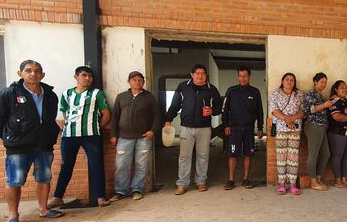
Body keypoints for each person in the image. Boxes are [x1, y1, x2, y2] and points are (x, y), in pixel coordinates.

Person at [0, 60, 63, 222]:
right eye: (28, 70)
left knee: (44, 178)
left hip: (43, 145)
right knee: (15, 181)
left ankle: (44, 209)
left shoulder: (50, 95)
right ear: (20, 73)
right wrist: (9, 137)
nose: (33, 74)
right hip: (18, 147)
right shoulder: (8, 93)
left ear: (42, 75)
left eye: (37, 71)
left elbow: (49, 119)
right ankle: (13, 215)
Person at [50, 66, 111, 208]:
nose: (88, 78)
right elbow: (65, 113)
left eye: (90, 76)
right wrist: (69, 125)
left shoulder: (97, 93)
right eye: (84, 75)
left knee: (96, 165)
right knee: (66, 166)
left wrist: (97, 127)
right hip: (69, 135)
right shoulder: (66, 94)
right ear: (76, 77)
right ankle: (58, 197)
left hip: (91, 135)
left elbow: (106, 114)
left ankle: (100, 197)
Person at [164, 64, 223, 194]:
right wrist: (168, 119)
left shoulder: (211, 89)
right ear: (192, 75)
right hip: (186, 127)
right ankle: (182, 184)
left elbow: (219, 107)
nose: (200, 76)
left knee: (203, 155)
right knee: (184, 156)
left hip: (205, 128)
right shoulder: (183, 87)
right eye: (197, 73)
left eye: (203, 73)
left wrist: (212, 110)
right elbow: (175, 105)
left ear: (206, 75)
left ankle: (201, 181)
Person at [109, 71, 160, 201]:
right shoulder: (121, 97)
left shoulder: (149, 97)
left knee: (141, 165)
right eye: (134, 80)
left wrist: (152, 131)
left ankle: (137, 189)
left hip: (143, 137)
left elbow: (157, 116)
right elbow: (114, 117)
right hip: (124, 138)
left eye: (140, 80)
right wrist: (113, 135)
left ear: (143, 82)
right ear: (129, 82)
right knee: (121, 165)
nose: (137, 82)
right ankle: (120, 191)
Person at [222, 67, 264, 190]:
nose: (242, 78)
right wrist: (226, 125)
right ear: (238, 76)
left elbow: (259, 111)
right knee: (232, 154)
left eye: (245, 76)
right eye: (240, 76)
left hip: (249, 129)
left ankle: (246, 179)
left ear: (249, 76)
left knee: (248, 154)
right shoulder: (231, 91)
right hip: (234, 129)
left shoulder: (255, 92)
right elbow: (225, 110)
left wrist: (260, 127)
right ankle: (230, 180)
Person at [270, 73, 305, 195]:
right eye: (287, 79)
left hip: (295, 129)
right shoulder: (276, 94)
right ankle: (281, 185)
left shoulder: (299, 94)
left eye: (292, 80)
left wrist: (292, 118)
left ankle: (293, 185)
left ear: (294, 82)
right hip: (281, 129)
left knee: (293, 157)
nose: (289, 82)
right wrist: (286, 119)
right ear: (282, 81)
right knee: (281, 157)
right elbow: (274, 110)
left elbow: (303, 111)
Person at [327, 80, 347, 188]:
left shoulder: (346, 101)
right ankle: (337, 180)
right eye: (342, 88)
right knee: (337, 156)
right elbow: (336, 117)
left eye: (346, 87)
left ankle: (344, 179)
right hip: (337, 132)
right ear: (336, 89)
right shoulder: (333, 101)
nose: (345, 89)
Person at [303, 72, 332, 191]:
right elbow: (309, 109)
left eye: (325, 82)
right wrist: (325, 105)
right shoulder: (310, 94)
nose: (324, 84)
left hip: (322, 127)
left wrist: (329, 102)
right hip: (313, 126)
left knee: (326, 154)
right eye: (321, 82)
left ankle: (318, 177)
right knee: (313, 154)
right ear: (315, 82)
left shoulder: (321, 95)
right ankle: (313, 182)